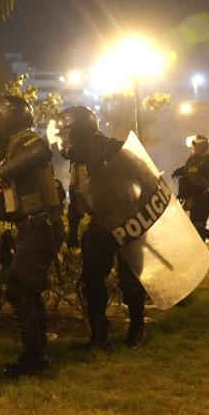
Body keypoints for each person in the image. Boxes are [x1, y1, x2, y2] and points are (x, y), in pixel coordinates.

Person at [0, 95, 64, 377]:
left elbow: (41, 151)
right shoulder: (13, 149)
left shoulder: (26, 140)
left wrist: (2, 173)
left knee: (17, 284)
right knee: (27, 287)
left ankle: (35, 354)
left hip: (41, 226)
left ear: (8, 119)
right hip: (33, 227)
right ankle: (40, 351)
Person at [55, 106, 148, 349]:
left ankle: (137, 328)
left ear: (78, 130)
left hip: (128, 222)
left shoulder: (115, 148)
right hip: (98, 225)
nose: (62, 141)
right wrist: (73, 230)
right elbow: (76, 195)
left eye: (65, 133)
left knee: (130, 279)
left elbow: (146, 179)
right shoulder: (78, 160)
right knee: (91, 278)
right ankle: (100, 332)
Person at [172, 134, 209, 256]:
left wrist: (191, 174)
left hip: (205, 195)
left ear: (203, 145)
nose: (194, 148)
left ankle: (201, 251)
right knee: (196, 225)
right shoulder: (193, 158)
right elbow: (188, 170)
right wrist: (178, 172)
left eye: (196, 145)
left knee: (198, 225)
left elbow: (201, 176)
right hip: (193, 196)